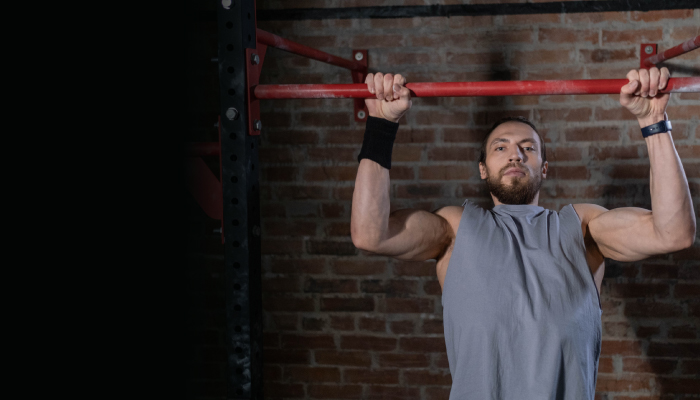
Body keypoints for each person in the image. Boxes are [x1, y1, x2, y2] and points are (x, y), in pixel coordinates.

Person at [350, 67, 696, 399]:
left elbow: (673, 233)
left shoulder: (582, 227)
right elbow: (370, 233)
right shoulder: (457, 229)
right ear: (483, 169)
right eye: (501, 147)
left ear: (543, 168)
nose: (515, 154)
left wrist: (653, 122)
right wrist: (382, 124)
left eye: (527, 148)